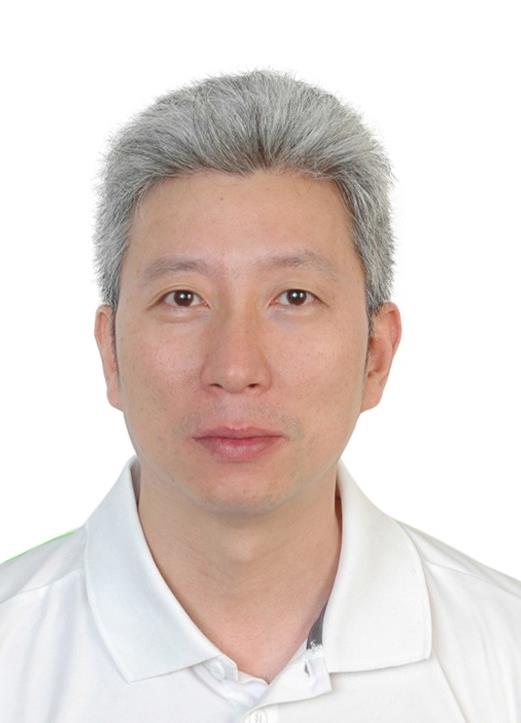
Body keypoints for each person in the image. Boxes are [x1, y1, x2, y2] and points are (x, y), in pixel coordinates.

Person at [0, 68, 520, 723]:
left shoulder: (505, 655)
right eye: (182, 298)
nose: (235, 367)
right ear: (111, 352)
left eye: (294, 297)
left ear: (376, 353)